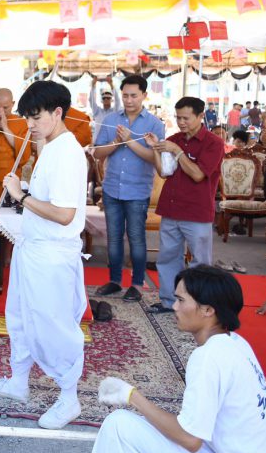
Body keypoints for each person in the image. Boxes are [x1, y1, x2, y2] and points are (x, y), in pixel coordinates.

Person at [82, 266, 266, 453]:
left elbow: (190, 439)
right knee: (147, 433)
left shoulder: (208, 357)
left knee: (120, 425)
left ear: (208, 310)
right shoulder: (237, 343)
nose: (174, 307)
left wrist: (132, 396)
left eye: (181, 301)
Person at [0, 80, 88, 430]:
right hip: (34, 248)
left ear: (58, 113)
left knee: (54, 327)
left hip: (53, 255)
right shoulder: (50, 146)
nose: (30, 125)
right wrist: (24, 189)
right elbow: (48, 198)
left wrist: (20, 197)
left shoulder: (68, 152)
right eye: (27, 118)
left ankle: (69, 398)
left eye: (36, 117)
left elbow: (65, 214)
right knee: (20, 317)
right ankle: (18, 382)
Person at [144, 97, 223, 313]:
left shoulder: (213, 143)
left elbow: (197, 174)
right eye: (178, 118)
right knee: (168, 258)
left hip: (197, 211)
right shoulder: (174, 138)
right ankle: (170, 301)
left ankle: (199, 305)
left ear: (200, 116)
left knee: (200, 262)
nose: (181, 122)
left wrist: (176, 151)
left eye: (186, 118)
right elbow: (164, 172)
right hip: (171, 208)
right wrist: (155, 150)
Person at [93, 75, 165, 302]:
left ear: (144, 95)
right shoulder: (110, 119)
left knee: (136, 238)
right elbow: (97, 153)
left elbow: (154, 159)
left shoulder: (155, 124)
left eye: (134, 95)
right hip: (112, 187)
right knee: (113, 238)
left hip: (138, 190)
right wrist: (115, 142)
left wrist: (129, 142)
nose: (129, 100)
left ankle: (136, 284)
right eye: (125, 95)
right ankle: (114, 281)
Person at [0, 87, 30, 203]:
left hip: (10, 177)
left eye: (5, 107)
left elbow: (23, 152)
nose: (1, 111)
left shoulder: (22, 123)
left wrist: (5, 127)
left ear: (13, 104)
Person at [89, 75, 122, 141]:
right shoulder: (97, 111)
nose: (106, 99)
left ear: (111, 100)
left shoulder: (114, 111)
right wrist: (93, 86)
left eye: (108, 98)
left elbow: (118, 100)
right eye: (104, 98)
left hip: (111, 141)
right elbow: (91, 100)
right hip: (97, 141)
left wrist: (111, 85)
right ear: (102, 100)